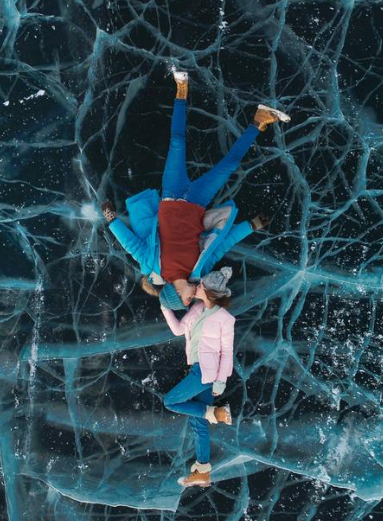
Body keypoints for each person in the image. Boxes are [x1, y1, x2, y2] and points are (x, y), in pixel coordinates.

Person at [101, 69, 289, 309]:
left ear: (175, 294)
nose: (192, 299)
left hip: (171, 196)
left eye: (186, 300)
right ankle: (260, 120)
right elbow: (222, 245)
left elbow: (131, 245)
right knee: (230, 164)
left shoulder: (153, 266)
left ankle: (181, 89)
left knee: (177, 142)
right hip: (197, 202)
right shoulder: (199, 271)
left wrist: (111, 218)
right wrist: (251, 225)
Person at [160, 267, 236, 487]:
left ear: (210, 292)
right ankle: (203, 470)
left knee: (170, 402)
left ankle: (216, 413)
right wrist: (165, 307)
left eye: (201, 285)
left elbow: (227, 352)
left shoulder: (225, 319)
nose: (197, 287)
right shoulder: (196, 308)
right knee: (198, 423)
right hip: (196, 368)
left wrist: (221, 382)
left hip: (205, 371)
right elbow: (178, 330)